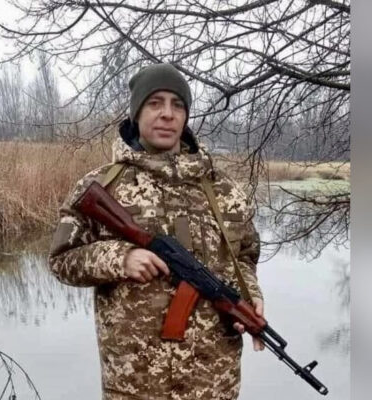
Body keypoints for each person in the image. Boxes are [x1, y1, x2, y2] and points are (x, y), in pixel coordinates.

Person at [49, 63, 264, 400]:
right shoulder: (102, 185)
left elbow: (246, 256)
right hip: (135, 381)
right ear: (136, 112)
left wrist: (248, 298)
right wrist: (120, 258)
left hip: (214, 380)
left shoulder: (225, 190)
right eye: (155, 103)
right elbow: (62, 260)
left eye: (177, 105)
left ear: (186, 115)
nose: (167, 114)